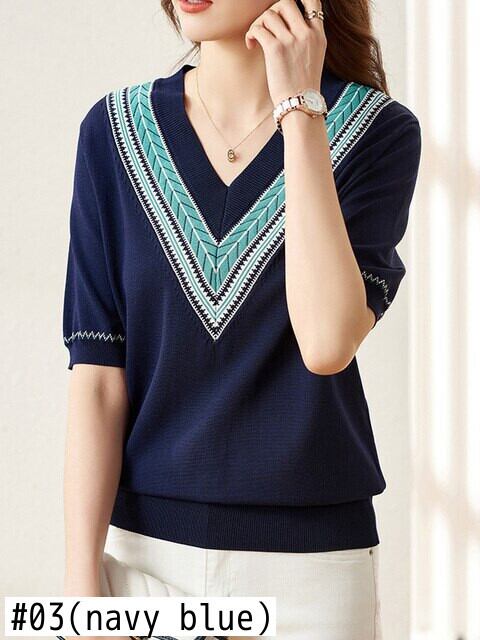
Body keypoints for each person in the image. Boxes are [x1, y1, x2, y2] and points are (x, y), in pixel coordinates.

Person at [59, 0, 421, 638]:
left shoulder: (378, 133)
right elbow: (97, 379)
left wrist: (301, 111)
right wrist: (80, 591)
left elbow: (327, 341)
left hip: (309, 573)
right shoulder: (112, 133)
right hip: (142, 564)